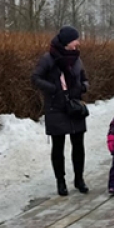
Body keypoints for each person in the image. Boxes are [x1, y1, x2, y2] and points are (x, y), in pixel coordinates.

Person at [31, 26, 90, 196]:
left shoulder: (77, 59)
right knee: (58, 147)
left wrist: (84, 87)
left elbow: (84, 78)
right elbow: (35, 78)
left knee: (78, 145)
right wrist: (53, 89)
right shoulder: (48, 59)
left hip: (75, 106)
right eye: (75, 40)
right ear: (67, 42)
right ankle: (61, 181)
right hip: (56, 108)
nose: (78, 43)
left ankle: (79, 179)